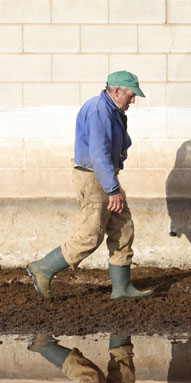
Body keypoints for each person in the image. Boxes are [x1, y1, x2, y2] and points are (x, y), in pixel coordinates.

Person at [26, 70, 152, 301]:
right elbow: (98, 153)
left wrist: (113, 182)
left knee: (122, 227)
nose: (133, 101)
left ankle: (122, 288)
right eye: (131, 96)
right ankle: (42, 268)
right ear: (117, 91)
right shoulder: (99, 111)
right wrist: (112, 190)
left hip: (105, 175)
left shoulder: (112, 110)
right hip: (94, 177)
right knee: (90, 235)